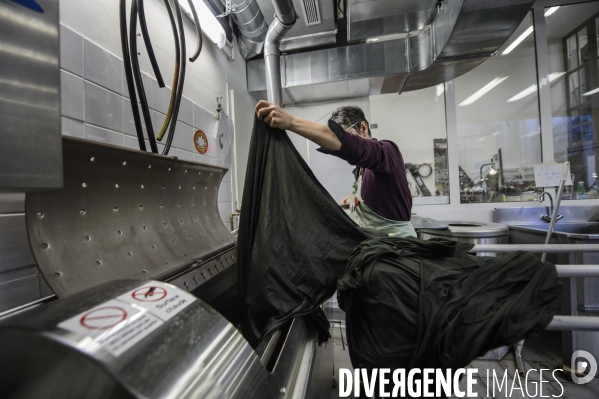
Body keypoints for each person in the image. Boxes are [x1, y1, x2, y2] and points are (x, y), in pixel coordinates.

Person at [256, 100, 415, 238]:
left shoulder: (387, 152)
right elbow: (380, 199)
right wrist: (353, 199)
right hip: (377, 248)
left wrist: (291, 122)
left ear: (363, 128)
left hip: (398, 252)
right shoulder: (361, 171)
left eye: (346, 135)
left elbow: (358, 148)